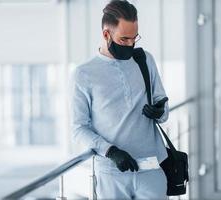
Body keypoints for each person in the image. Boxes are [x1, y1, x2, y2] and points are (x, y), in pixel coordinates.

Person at [69, 0, 169, 199]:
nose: (131, 45)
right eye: (124, 39)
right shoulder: (83, 74)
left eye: (134, 38)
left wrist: (160, 111)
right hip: (112, 173)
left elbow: (162, 106)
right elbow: (78, 128)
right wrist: (110, 151)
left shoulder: (144, 59)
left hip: (152, 168)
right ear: (106, 34)